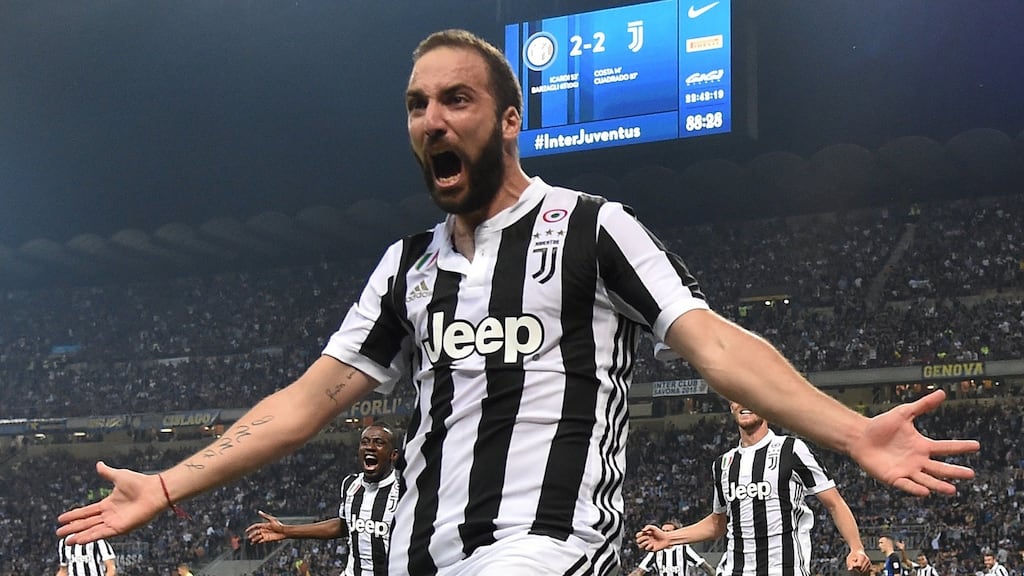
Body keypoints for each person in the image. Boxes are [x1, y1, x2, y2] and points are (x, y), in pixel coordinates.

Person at [57, 28, 979, 576]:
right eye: (417, 104)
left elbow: (717, 345)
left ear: (508, 120)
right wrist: (167, 484)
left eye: (456, 99)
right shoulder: (407, 266)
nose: (432, 119)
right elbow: (307, 402)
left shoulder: (594, 228)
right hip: (421, 552)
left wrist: (851, 431)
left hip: (551, 543)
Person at [635, 402, 873, 575]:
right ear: (731, 406)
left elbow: (834, 503)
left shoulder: (792, 449)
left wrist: (857, 548)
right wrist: (669, 538)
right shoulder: (723, 464)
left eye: (749, 396)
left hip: (784, 569)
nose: (744, 402)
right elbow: (718, 523)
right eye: (737, 397)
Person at [245, 423, 402, 576]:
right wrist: (286, 531)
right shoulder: (351, 484)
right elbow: (343, 526)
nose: (370, 447)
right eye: (365, 442)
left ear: (393, 455)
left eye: (379, 442)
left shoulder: (405, 490)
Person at [628, 521, 714, 576]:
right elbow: (639, 571)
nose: (664, 534)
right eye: (663, 531)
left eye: (668, 531)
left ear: (674, 533)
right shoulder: (656, 551)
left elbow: (704, 565)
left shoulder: (684, 549)